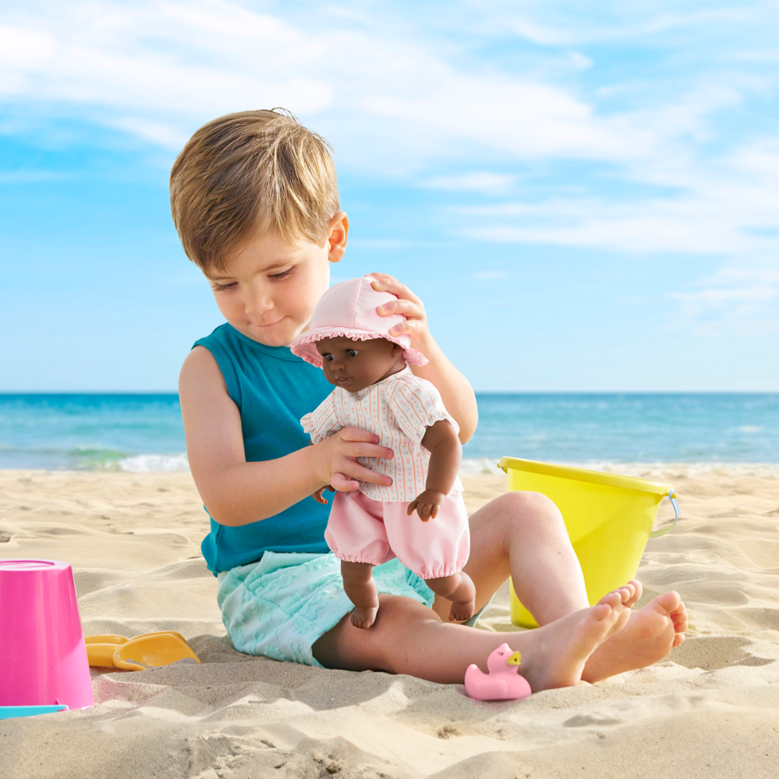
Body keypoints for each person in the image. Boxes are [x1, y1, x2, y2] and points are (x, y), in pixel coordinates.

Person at [171, 108, 687, 691]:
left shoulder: (374, 337)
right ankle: (534, 656)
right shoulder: (212, 366)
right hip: (286, 584)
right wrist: (316, 463)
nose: (257, 305)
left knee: (529, 510)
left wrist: (424, 346)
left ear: (333, 239)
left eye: (280, 273)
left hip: (406, 556)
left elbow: (459, 425)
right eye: (226, 284)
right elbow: (225, 496)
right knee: (396, 621)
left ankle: (577, 637)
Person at [291, 276, 476, 629]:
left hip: (414, 494)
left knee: (439, 576)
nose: (337, 365)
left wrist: (436, 489)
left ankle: (463, 592)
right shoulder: (342, 398)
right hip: (364, 495)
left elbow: (447, 441)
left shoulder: (406, 392)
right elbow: (323, 438)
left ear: (394, 348)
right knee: (353, 565)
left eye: (351, 353)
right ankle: (366, 605)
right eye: (328, 356)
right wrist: (323, 474)